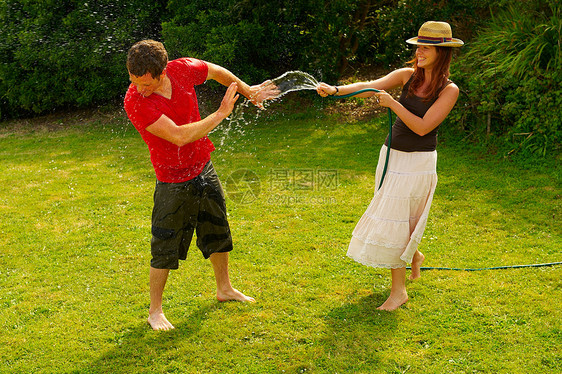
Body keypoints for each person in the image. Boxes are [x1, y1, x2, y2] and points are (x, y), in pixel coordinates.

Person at [124, 39, 276, 330]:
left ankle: (224, 289)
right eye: (134, 81)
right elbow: (179, 136)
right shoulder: (135, 101)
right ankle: (155, 311)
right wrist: (220, 114)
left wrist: (248, 91)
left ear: (163, 71)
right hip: (172, 179)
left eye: (146, 83)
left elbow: (218, 72)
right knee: (164, 244)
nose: (139, 89)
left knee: (217, 228)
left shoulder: (182, 70)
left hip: (203, 166)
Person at [317, 21, 463, 311]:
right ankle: (415, 255)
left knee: (399, 221)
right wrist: (335, 90)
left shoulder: (449, 90)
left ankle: (399, 292)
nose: (419, 52)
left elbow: (423, 127)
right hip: (391, 155)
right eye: (418, 46)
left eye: (426, 48)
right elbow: (369, 87)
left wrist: (394, 105)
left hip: (418, 162)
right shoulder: (407, 75)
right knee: (395, 216)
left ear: (442, 52)